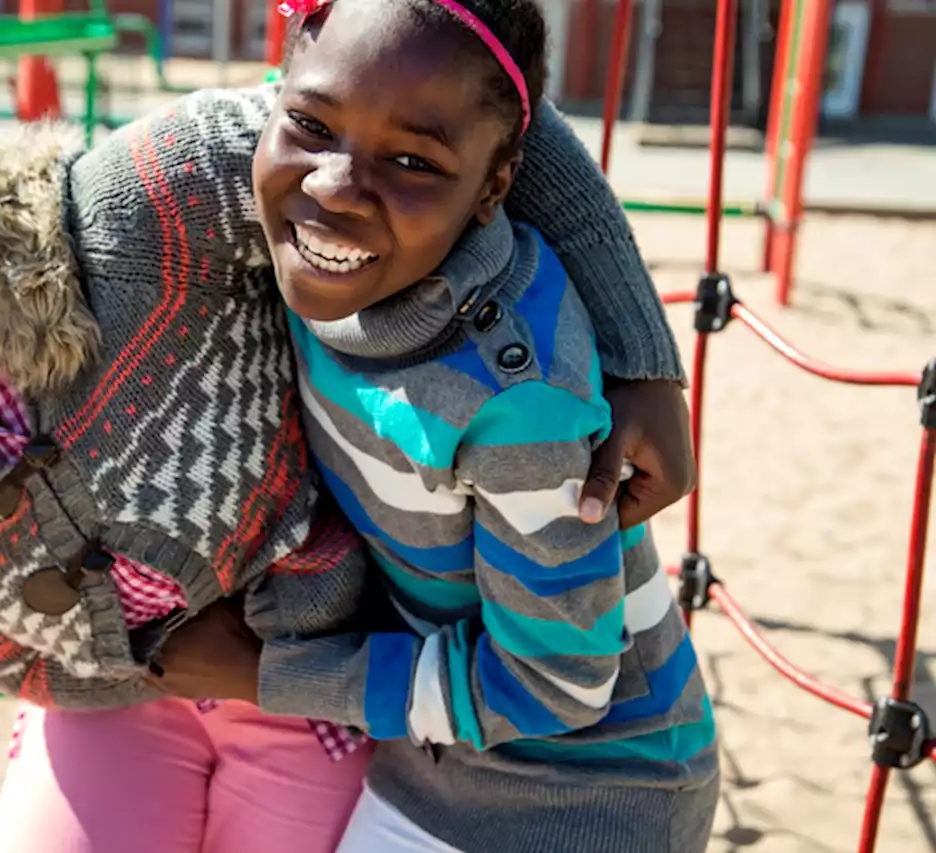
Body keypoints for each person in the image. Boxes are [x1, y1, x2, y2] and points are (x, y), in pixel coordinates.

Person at [0, 16, 696, 853]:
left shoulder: (143, 211)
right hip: (122, 699)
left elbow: (465, 85)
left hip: (319, 664)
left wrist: (643, 355)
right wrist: (110, 663)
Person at [152, 1, 720, 851]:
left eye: (413, 160)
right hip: (437, 754)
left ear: (495, 187)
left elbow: (557, 687)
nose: (335, 186)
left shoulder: (511, 404)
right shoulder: (323, 257)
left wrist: (261, 674)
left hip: (590, 790)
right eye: (309, 123)